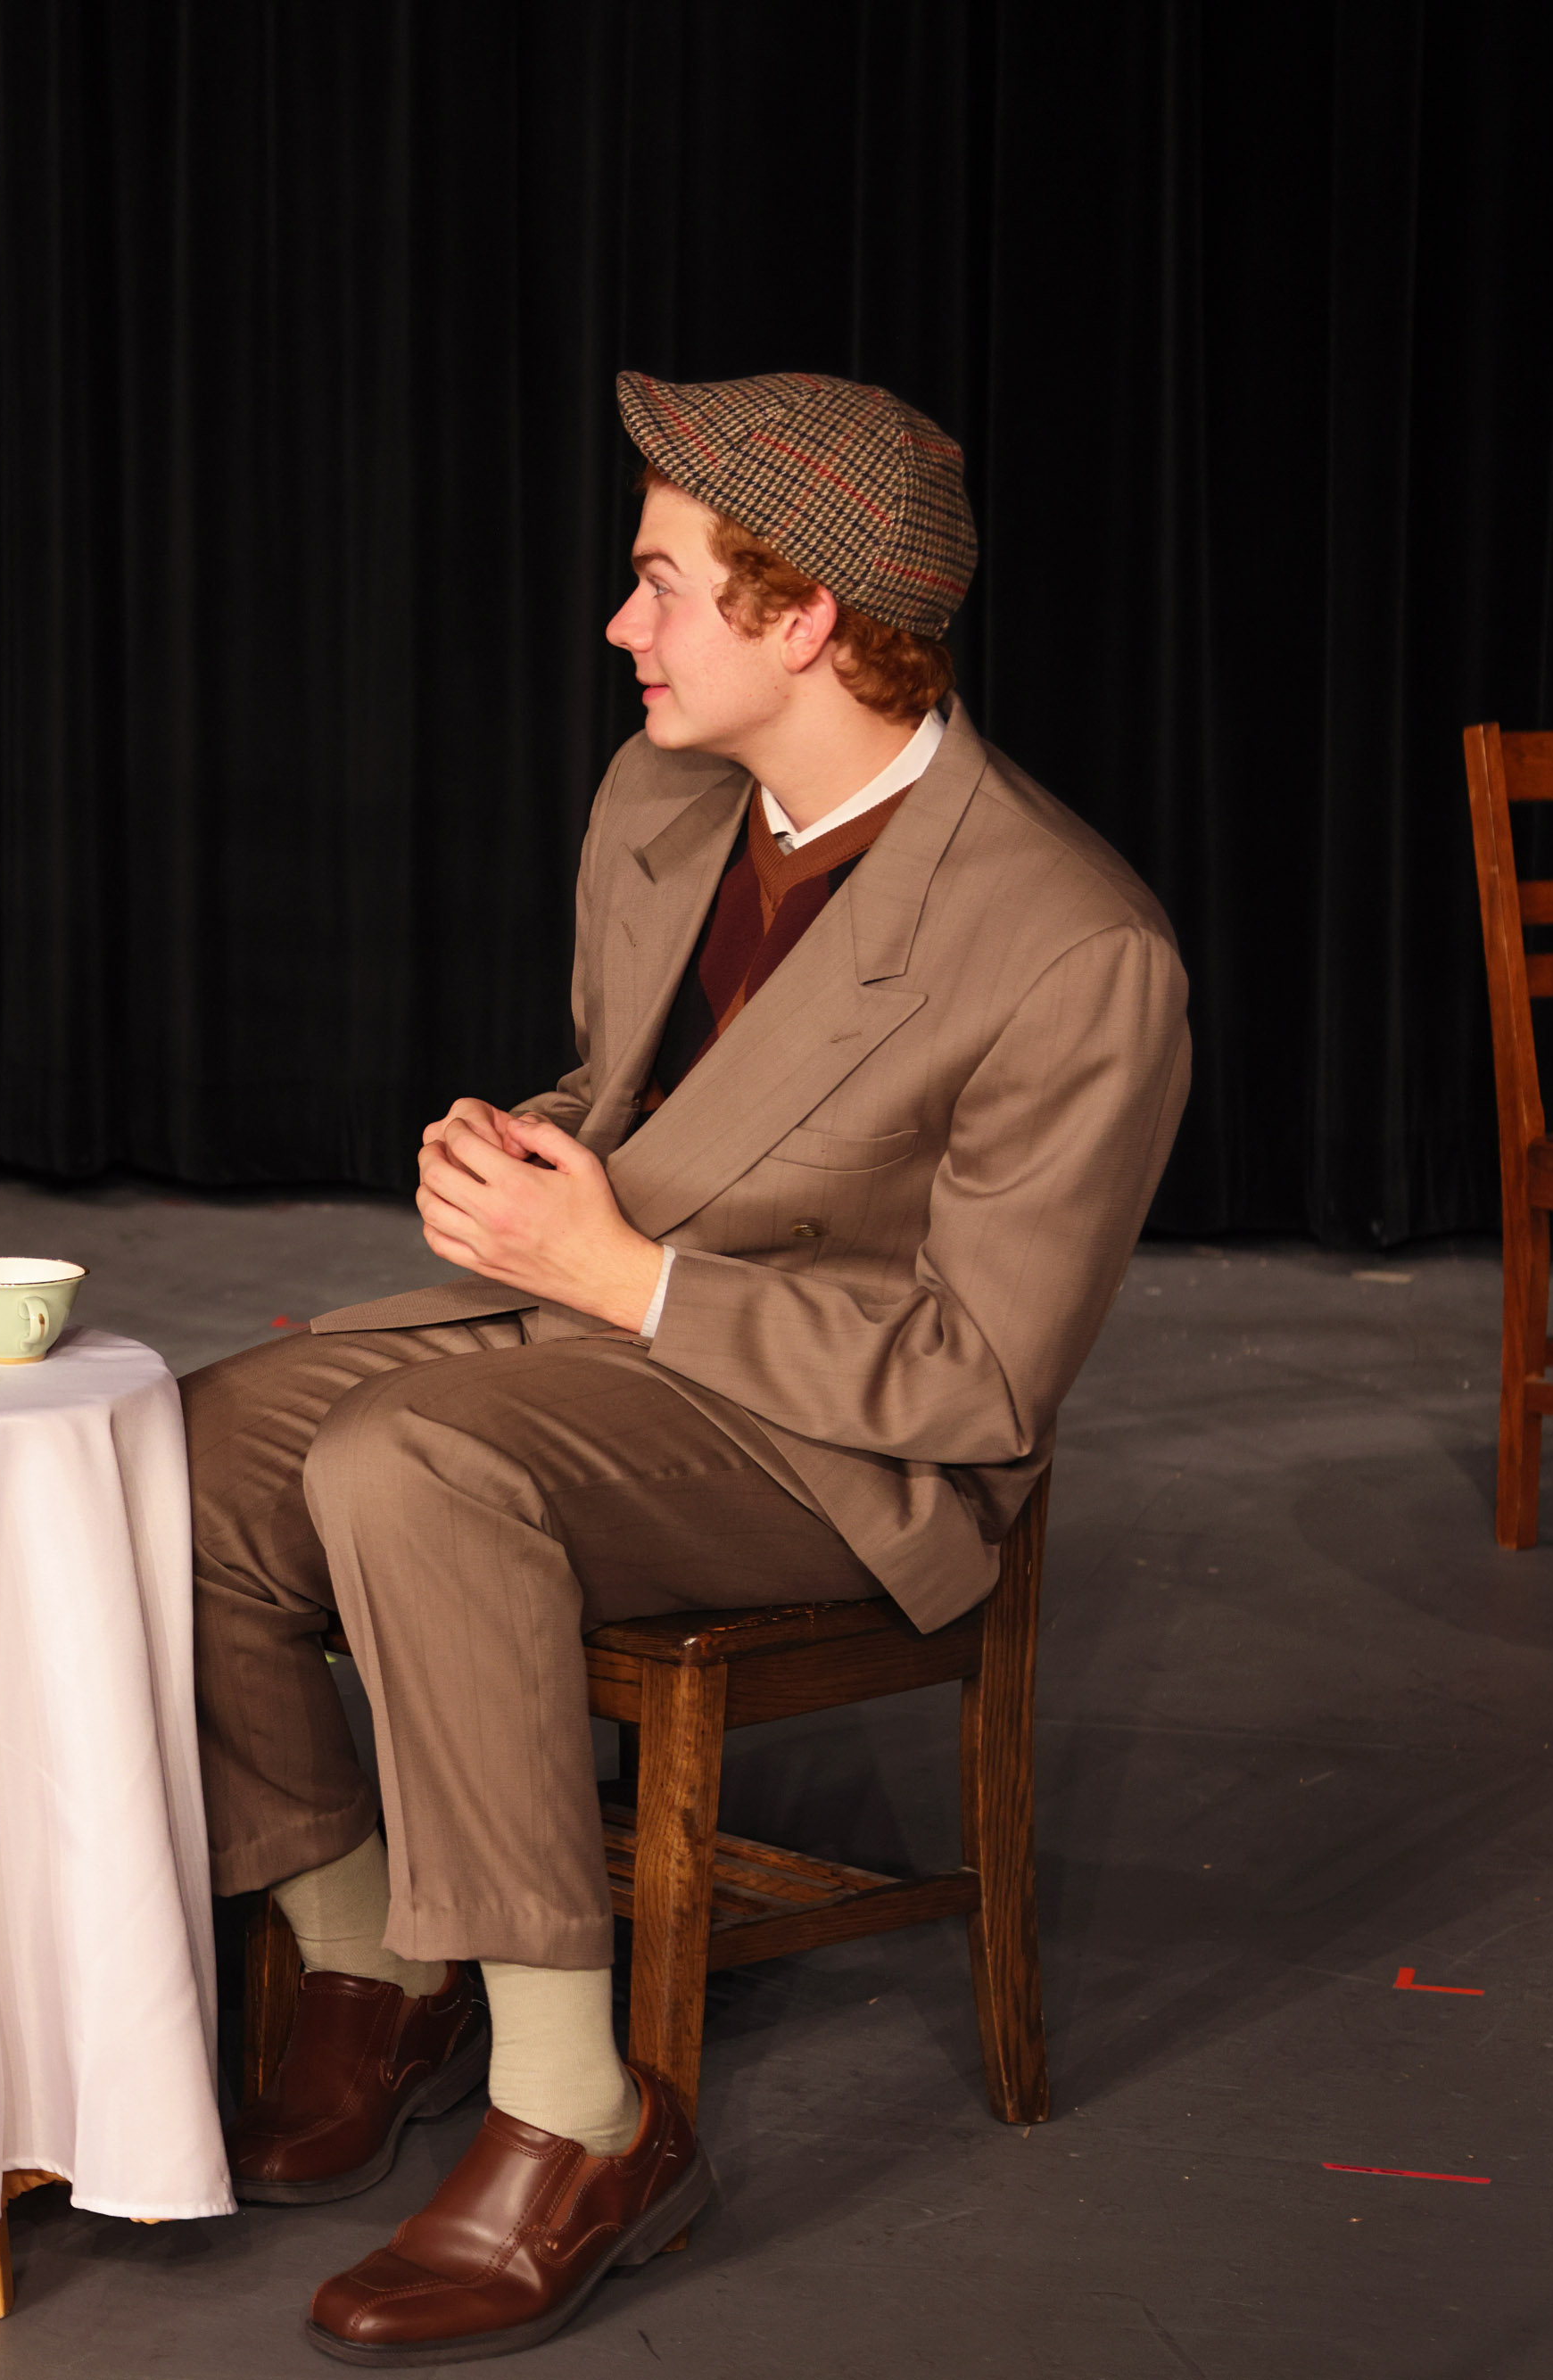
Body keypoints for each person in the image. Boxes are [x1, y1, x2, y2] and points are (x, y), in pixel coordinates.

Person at [187, 369, 1190, 2363]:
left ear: (803, 614)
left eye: (658, 582)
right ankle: (373, 1954)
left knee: (408, 1463)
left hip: (843, 1451)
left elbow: (979, 1381)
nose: (617, 623)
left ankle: (580, 2114)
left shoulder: (1076, 949)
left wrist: (620, 1269)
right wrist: (533, 1155)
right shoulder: (661, 803)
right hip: (600, 1334)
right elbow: (645, 1097)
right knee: (188, 1452)